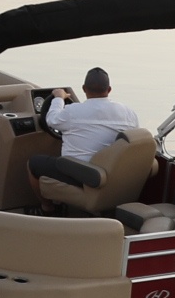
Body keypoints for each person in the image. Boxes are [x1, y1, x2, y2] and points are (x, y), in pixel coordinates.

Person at [26, 68, 144, 201]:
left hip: (81, 174)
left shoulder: (73, 112)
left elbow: (51, 120)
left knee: (34, 163)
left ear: (84, 88)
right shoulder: (129, 113)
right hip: (114, 174)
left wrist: (59, 98)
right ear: (109, 89)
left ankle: (47, 208)